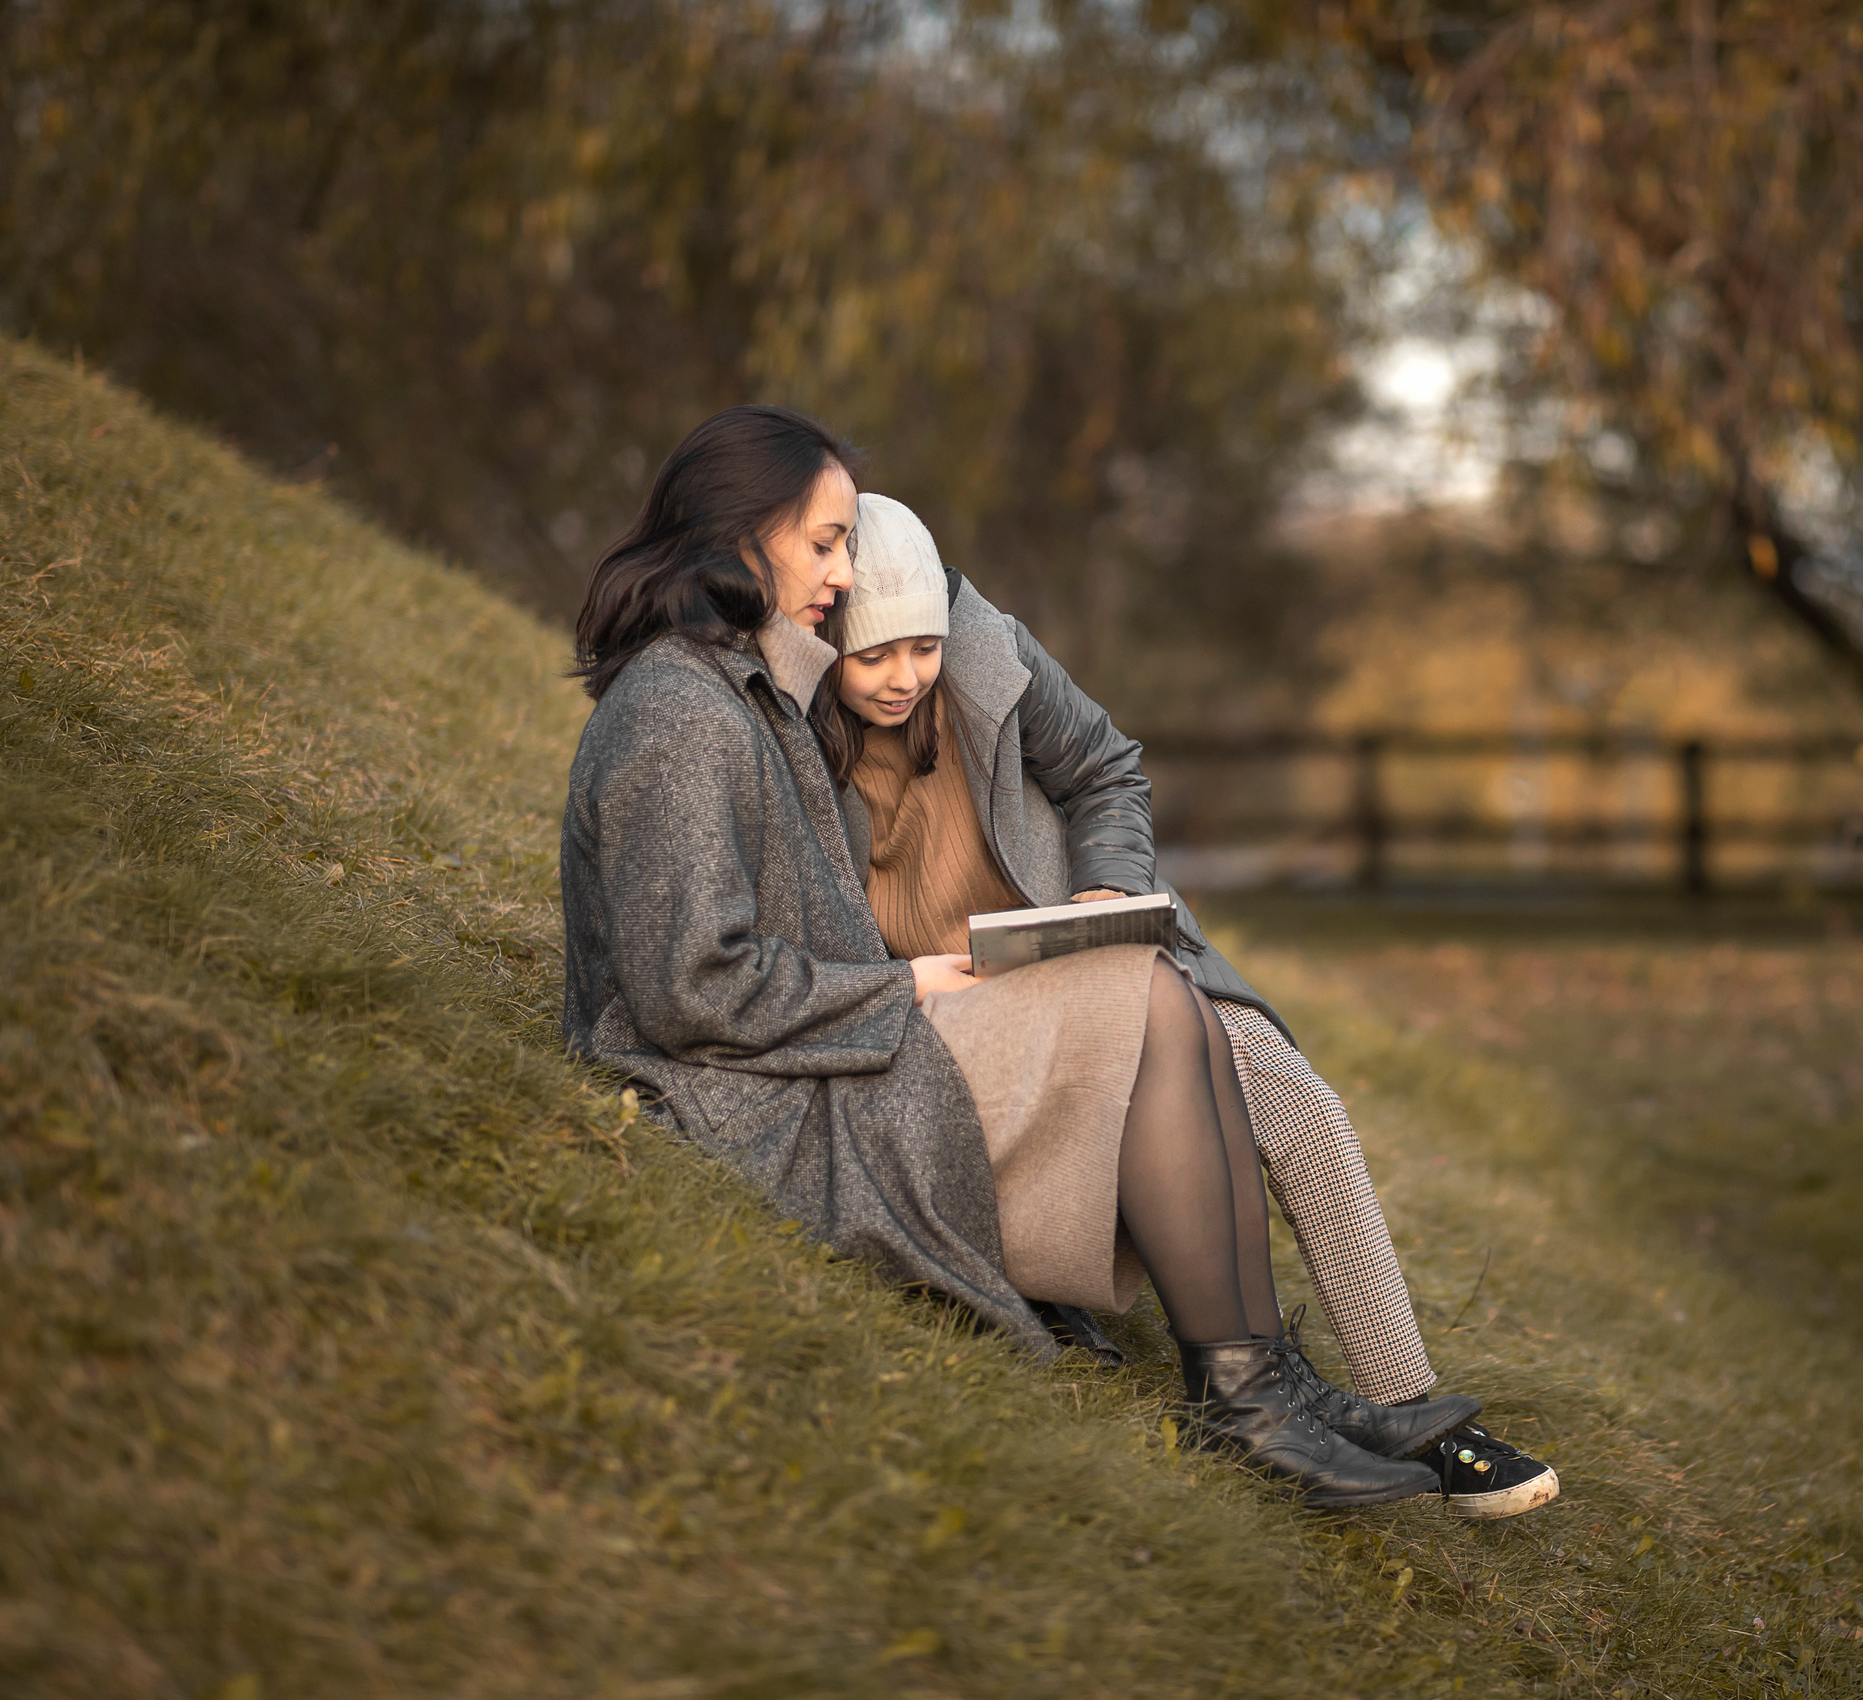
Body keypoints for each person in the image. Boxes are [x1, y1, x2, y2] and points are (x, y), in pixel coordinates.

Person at [560, 406, 1438, 1508]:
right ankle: (1248, 1399)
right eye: (825, 543)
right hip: (750, 1098)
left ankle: (1264, 1386)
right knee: (1150, 1004)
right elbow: (689, 987)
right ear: (743, 533)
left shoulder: (736, 683)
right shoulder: (680, 710)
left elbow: (1101, 768)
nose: (840, 572)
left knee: (1159, 991)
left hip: (813, 1048)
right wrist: (900, 986)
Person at [810, 490, 1559, 1521]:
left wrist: (1109, 889)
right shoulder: (791, 728)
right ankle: (1240, 1376)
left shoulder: (990, 658)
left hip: (1087, 940)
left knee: (1297, 1109)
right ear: (827, 642)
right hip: (959, 999)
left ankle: (1415, 1411)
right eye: (875, 656)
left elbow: (1111, 769)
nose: (904, 677)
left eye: (922, 648)